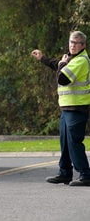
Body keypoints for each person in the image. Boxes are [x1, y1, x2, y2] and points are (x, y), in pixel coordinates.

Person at [31, 31, 90, 186]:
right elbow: (57, 64)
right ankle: (65, 173)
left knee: (74, 142)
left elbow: (63, 78)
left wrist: (62, 64)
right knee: (65, 142)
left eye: (76, 43)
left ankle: (85, 174)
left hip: (77, 108)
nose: (72, 45)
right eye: (71, 42)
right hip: (67, 109)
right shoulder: (72, 58)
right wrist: (42, 58)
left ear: (83, 45)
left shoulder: (81, 61)